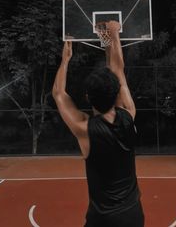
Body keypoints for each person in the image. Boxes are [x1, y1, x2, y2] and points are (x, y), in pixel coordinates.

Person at [52, 21, 144, 227]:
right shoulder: (129, 115)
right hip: (133, 214)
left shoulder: (85, 129)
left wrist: (65, 60)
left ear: (87, 98)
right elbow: (118, 71)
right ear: (115, 95)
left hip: (103, 219)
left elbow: (58, 93)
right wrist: (113, 35)